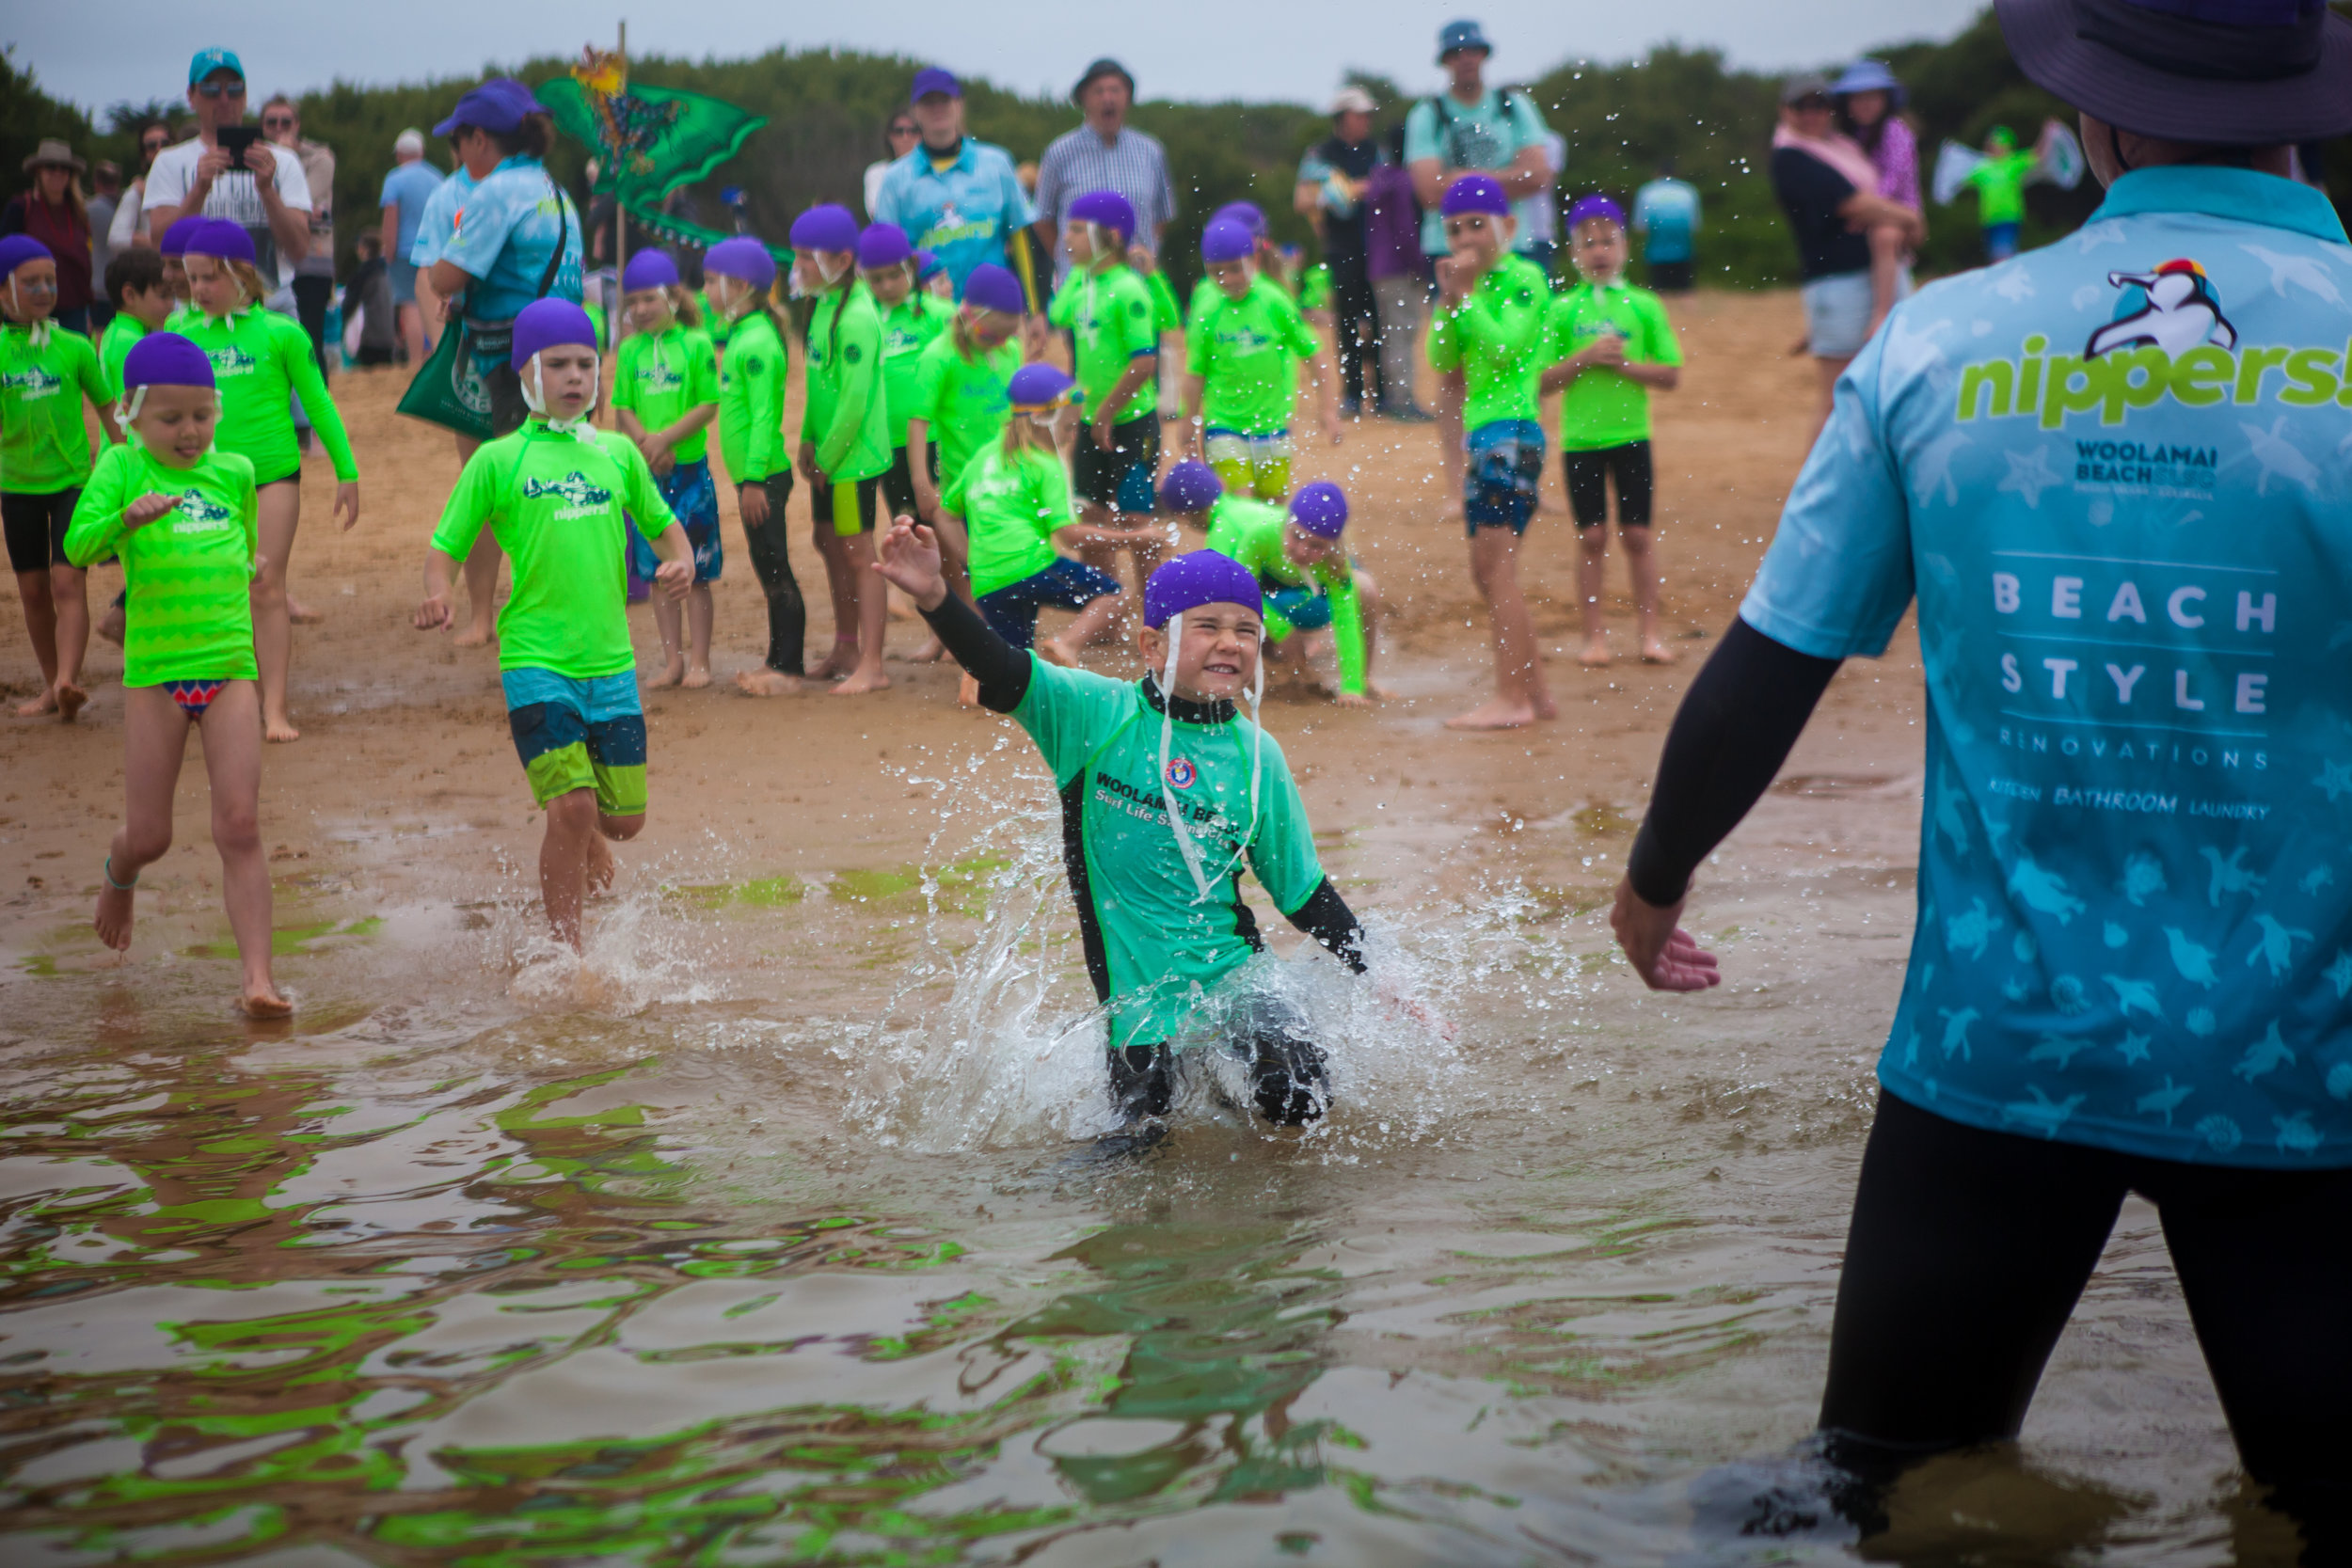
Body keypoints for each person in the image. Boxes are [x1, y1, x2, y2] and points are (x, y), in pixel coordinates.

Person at [1610, 0, 2352, 1544]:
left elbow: (1776, 658)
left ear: (2098, 121)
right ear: (2306, 106)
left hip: (1998, 1054)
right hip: (2307, 1070)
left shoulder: (1939, 341)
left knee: (1867, 1483)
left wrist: (1656, 871)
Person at [875, 527, 1375, 1133]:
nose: (1230, 643)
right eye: (1207, 626)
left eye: (1246, 629)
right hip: (1137, 1002)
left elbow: (1302, 894)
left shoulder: (1258, 756)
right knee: (1137, 1139)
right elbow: (1000, 669)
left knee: (1299, 1097)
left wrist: (1382, 974)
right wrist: (935, 598)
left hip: (1238, 977)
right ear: (1151, 644)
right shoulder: (1093, 715)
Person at [416, 299, 692, 953]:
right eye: (558, 363)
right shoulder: (498, 460)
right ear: (526, 373)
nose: (575, 376)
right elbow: (445, 548)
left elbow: (663, 526)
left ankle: (591, 826)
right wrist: (437, 594)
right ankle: (567, 954)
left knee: (623, 820)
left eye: (586, 363)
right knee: (569, 807)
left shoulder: (619, 455)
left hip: (612, 663)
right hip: (535, 658)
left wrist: (680, 559)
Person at [64, 333, 287, 1017]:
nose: (190, 432)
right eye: (171, 419)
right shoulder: (123, 468)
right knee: (152, 834)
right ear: (132, 414)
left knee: (240, 824)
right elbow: (76, 543)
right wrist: (122, 521)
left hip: (229, 668)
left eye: (202, 415)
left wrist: (252, 571)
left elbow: (244, 544)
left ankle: (257, 979)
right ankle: (120, 869)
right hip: (156, 674)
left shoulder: (236, 472)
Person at [415, 77, 584, 647]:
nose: (457, 156)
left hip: (514, 365)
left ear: (479, 139)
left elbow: (445, 277)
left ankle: (540, 621)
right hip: (571, 358)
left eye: (459, 143)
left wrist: (446, 268)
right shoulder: (552, 189)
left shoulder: (492, 194)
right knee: (564, 485)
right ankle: (567, 609)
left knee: (517, 495)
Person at [178, 220, 358, 743]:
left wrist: (347, 472)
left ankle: (273, 708)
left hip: (274, 475)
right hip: (206, 479)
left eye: (209, 277)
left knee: (266, 585)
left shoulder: (282, 333)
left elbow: (319, 403)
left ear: (241, 274)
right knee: (215, 588)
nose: (198, 290)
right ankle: (225, 695)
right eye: (191, 280)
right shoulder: (183, 338)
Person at [1406, 22, 1553, 508]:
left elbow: (1542, 173)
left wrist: (1466, 181)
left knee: (1531, 362)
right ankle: (1457, 483)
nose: (1466, 59)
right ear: (1445, 61)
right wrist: (1497, 185)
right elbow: (1428, 191)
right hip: (1446, 252)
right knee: (1455, 370)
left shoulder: (1514, 104)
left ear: (1485, 55)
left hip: (1520, 246)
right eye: (1457, 52)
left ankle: (1530, 475)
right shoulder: (1427, 114)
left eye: (1473, 51)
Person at [1427, 175, 1553, 731]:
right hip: (1485, 438)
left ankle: (1513, 699)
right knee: (1490, 571)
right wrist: (1450, 301)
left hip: (1514, 433)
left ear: (1509, 227)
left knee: (1495, 568)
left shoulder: (1525, 278)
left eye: (1478, 225)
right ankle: (1537, 694)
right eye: (1455, 230)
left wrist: (1468, 296)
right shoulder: (1466, 289)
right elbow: (1440, 356)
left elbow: (1505, 349)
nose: (1467, 239)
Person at [1541, 195, 1682, 668]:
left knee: (1638, 536)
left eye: (1608, 241)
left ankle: (1650, 634)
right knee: (1592, 538)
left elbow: (1670, 374)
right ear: (1574, 251)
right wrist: (1583, 359)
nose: (1599, 251)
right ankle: (1593, 638)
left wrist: (1626, 366)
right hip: (1580, 439)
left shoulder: (1643, 305)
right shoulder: (1561, 311)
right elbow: (1541, 382)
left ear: (1624, 246)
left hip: (1631, 435)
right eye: (1588, 243)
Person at [939, 363, 1128, 668]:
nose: (1070, 437)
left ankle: (975, 681)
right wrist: (1132, 539)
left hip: (989, 580)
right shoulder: (1046, 464)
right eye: (1068, 428)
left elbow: (945, 514)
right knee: (1113, 596)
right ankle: (1067, 644)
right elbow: (1069, 535)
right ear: (1045, 419)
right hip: (1032, 566)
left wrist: (972, 560)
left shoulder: (983, 456)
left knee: (1013, 663)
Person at [0, 235, 118, 721]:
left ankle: (68, 678)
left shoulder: (75, 347)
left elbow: (110, 409)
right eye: (31, 282)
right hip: (17, 488)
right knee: (32, 592)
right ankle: (53, 686)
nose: (45, 289)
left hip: (72, 482)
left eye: (50, 280)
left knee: (68, 582)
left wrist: (132, 468)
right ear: (4, 291)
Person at [1770, 75, 1925, 436]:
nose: (1812, 114)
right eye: (1801, 106)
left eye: (1820, 105)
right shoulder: (1790, 157)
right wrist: (1910, 218)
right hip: (1839, 283)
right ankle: (1816, 491)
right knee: (1837, 398)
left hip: (1873, 275)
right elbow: (1850, 204)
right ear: (1784, 111)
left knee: (1890, 386)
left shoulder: (1842, 148)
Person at [790, 203, 892, 696]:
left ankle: (873, 663)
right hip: (830, 455)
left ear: (842, 259)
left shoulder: (856, 317)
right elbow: (818, 385)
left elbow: (853, 404)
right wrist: (809, 437)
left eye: (807, 258)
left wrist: (828, 459)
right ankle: (846, 647)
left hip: (853, 460)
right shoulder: (822, 306)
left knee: (858, 553)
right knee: (829, 547)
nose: (798, 268)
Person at [1046, 192, 1165, 600]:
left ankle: (1157, 615)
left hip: (1131, 423)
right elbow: (1058, 315)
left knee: (1137, 524)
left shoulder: (1130, 289)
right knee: (1091, 516)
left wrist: (1107, 414)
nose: (1067, 239)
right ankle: (1106, 611)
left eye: (1078, 230)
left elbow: (1144, 364)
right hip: (1092, 420)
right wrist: (1080, 273)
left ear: (1110, 235)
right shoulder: (1084, 283)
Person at [612, 250, 721, 689]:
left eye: (648, 300)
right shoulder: (630, 350)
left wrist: (666, 440)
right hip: (646, 475)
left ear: (673, 297)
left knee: (695, 570)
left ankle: (700, 661)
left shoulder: (696, 343)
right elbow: (622, 406)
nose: (639, 310)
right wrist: (646, 445)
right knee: (657, 572)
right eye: (631, 302)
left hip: (690, 473)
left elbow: (708, 403)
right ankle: (672, 660)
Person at [902, 261, 1024, 656]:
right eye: (991, 334)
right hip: (961, 483)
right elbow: (918, 422)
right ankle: (965, 639)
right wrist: (922, 482)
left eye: (1006, 337)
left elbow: (1019, 412)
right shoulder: (938, 357)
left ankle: (986, 639)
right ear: (970, 315)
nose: (997, 344)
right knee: (966, 567)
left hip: (1008, 477)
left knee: (1001, 561)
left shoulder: (1010, 350)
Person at [701, 239, 804, 699]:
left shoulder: (758, 339)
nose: (704, 290)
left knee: (775, 570)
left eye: (709, 281)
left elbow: (766, 417)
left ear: (739, 285)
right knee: (768, 569)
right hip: (752, 478)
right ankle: (777, 659)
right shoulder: (745, 331)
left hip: (762, 479)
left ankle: (789, 667)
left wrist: (755, 480)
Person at [1187, 468, 1387, 705]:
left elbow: (1345, 621)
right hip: (1268, 594)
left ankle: (1365, 678)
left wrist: (1351, 687)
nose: (1302, 551)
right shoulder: (1260, 534)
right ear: (1286, 523)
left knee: (1365, 587)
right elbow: (1240, 593)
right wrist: (1282, 631)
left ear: (1332, 546)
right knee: (1222, 600)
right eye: (1297, 537)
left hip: (1304, 596)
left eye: (1316, 546)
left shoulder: (1334, 560)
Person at [1182, 217, 1341, 502]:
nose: (1226, 279)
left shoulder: (1274, 301)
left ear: (1254, 259)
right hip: (1224, 426)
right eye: (1216, 272)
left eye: (1234, 269)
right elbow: (1195, 375)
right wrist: (1188, 423)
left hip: (1274, 427)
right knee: (1239, 510)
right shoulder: (1207, 312)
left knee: (1273, 510)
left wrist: (1328, 409)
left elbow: (1315, 356)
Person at [142, 49, 313, 298]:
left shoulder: (283, 161)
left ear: (245, 96)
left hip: (270, 302)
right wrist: (199, 190)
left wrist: (267, 190)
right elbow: (161, 246)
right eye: (211, 90)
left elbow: (299, 249)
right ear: (191, 96)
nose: (224, 99)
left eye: (234, 89)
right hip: (199, 305)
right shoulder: (170, 162)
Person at [870, 70, 1035, 296]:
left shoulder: (997, 163)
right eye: (928, 102)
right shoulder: (895, 178)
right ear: (915, 111)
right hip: (928, 316)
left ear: (959, 105)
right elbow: (885, 254)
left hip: (992, 310)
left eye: (944, 100)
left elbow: (1022, 234)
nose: (937, 109)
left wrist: (1035, 310)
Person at [1033, 58, 1177, 289]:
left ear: (1128, 98)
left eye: (1115, 90)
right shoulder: (1059, 152)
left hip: (1137, 285)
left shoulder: (1151, 151)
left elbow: (1162, 216)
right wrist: (1069, 257)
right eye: (1098, 91)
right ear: (1084, 100)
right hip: (1080, 288)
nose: (1107, 98)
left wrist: (1145, 252)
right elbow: (1042, 218)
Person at [1295, 87, 1385, 418]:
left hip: (1377, 245)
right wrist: (1341, 193)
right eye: (1360, 114)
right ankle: (1353, 394)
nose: (1366, 121)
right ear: (1342, 117)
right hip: (1341, 247)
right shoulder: (1320, 153)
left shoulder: (1376, 150)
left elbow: (1385, 186)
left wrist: (1347, 190)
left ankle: (1384, 395)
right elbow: (1302, 200)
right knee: (1347, 321)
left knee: (1379, 320)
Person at [860, 223, 954, 528]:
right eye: (876, 279)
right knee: (908, 524)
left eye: (894, 275)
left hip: (937, 438)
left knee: (946, 521)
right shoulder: (864, 320)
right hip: (887, 442)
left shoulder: (939, 314)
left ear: (911, 268)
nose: (887, 285)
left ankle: (959, 577)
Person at [1833, 61, 1925, 338]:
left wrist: (1866, 210)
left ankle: (1881, 313)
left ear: (1886, 100)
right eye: (1858, 98)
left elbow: (1893, 181)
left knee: (1884, 237)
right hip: (1871, 209)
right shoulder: (1846, 136)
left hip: (1899, 211)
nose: (1865, 104)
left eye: (1872, 97)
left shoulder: (1897, 131)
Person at [262, 98, 335, 372]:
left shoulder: (320, 158)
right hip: (272, 264)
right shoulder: (252, 158)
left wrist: (282, 156)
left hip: (311, 262)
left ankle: (316, 409)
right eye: (271, 122)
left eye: (286, 121)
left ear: (298, 124)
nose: (279, 127)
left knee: (310, 340)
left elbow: (300, 202)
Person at [1364, 126, 1430, 420]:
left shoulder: (1378, 178)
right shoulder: (1403, 182)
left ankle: (1393, 398)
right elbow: (1406, 229)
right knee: (1403, 334)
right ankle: (1402, 402)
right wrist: (1420, 264)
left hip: (1379, 267)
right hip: (1400, 268)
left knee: (1392, 335)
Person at [3, 141, 97, 335]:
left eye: (65, 169)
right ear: (38, 171)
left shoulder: (79, 211)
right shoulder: (21, 207)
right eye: (51, 167)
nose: (58, 173)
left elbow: (85, 260)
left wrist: (87, 313)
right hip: (29, 308)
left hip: (74, 309)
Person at [378, 128, 443, 364]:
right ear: (422, 152)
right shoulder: (437, 177)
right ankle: (436, 357)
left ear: (399, 154)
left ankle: (415, 362)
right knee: (434, 305)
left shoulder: (394, 179)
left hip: (405, 251)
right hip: (435, 251)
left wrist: (388, 252)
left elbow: (390, 219)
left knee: (410, 304)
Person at [99, 246, 174, 402]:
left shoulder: (116, 330)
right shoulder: (130, 342)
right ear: (130, 295)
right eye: (163, 296)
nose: (171, 305)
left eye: (172, 296)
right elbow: (132, 407)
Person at [1961, 124, 2042, 262]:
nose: (1996, 148)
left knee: (2003, 256)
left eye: (1999, 144)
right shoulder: (1983, 167)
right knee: (1995, 259)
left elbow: (2037, 154)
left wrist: (2048, 133)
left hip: (2008, 217)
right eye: (1993, 144)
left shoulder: (2013, 163)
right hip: (1988, 220)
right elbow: (1962, 179)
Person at [1630, 160, 1701, 293]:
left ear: (1656, 174)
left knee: (1659, 294)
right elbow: (1694, 227)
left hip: (1656, 253)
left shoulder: (1647, 192)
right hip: (1684, 251)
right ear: (1677, 174)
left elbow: (1641, 227)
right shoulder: (1688, 191)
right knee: (1686, 292)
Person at [104, 123, 173, 259]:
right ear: (144, 154)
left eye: (164, 143)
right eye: (151, 146)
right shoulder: (136, 191)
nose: (159, 149)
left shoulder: (190, 184)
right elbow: (115, 238)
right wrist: (152, 241)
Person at [342, 230, 396, 366]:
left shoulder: (364, 273)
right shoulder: (387, 271)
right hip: (389, 335)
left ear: (364, 248)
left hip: (370, 337)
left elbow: (349, 305)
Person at [864, 113, 920, 220]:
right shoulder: (876, 172)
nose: (906, 137)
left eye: (912, 131)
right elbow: (877, 213)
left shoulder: (931, 171)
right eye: (899, 131)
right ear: (890, 136)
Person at [86, 162, 119, 329]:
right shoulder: (127, 204)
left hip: (97, 285)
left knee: (99, 334)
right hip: (123, 284)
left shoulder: (88, 208)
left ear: (96, 183)